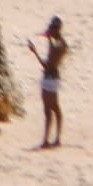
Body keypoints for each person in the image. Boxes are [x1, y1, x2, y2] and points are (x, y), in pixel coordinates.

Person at [27, 16, 68, 147]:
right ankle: (57, 138)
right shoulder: (62, 44)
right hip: (54, 77)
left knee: (48, 110)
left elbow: (47, 65)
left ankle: (46, 140)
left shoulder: (57, 46)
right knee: (55, 107)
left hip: (49, 78)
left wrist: (35, 52)